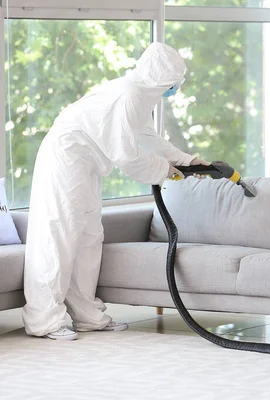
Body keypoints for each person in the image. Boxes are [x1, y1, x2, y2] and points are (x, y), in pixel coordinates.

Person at [22, 42, 208, 341]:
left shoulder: (141, 96)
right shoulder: (128, 95)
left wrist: (187, 161)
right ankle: (44, 320)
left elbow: (148, 138)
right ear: (160, 79)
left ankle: (88, 316)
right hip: (66, 159)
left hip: (87, 165)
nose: (175, 89)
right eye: (174, 83)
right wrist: (164, 170)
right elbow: (127, 156)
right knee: (59, 235)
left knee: (88, 237)